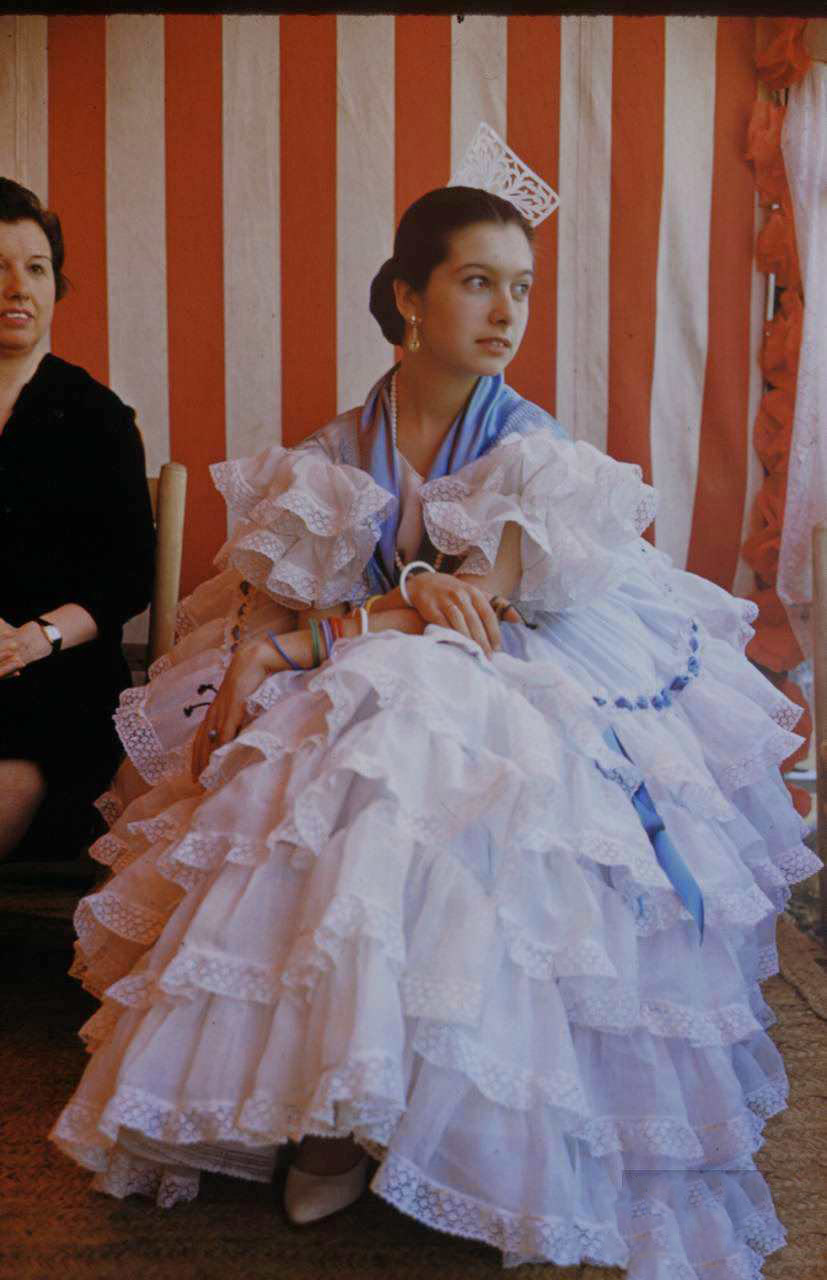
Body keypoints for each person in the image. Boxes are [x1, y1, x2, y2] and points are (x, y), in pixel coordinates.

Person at [51, 185, 818, 1277]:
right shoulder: (335, 447)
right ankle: (325, 1093)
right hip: (365, 671)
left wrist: (311, 639)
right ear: (409, 297)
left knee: (406, 721)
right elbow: (274, 592)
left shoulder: (530, 453)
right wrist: (253, 658)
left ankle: (431, 1103)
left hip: (510, 669)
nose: (505, 311)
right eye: (475, 282)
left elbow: (470, 605)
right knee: (322, 747)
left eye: (520, 288)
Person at [0, 178, 155, 859]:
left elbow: (126, 576)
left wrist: (31, 641)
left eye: (34, 268)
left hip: (59, 674)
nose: (17, 287)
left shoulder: (96, 416)